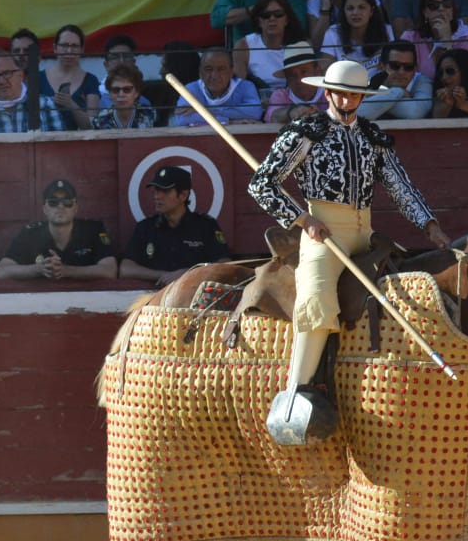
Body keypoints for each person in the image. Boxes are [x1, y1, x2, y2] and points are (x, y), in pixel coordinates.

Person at [248, 59, 449, 440]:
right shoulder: (305, 132)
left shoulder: (374, 136)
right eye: (340, 92)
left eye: (354, 93)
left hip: (365, 230)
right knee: (317, 298)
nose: (346, 99)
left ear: (362, 96)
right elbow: (262, 184)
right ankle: (296, 391)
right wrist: (303, 220)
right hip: (323, 233)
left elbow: (400, 186)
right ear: (327, 92)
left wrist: (429, 225)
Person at [120, 166, 231, 286]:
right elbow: (125, 269)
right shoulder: (145, 227)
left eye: (166, 191)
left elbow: (224, 264)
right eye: (157, 190)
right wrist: (163, 276)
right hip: (154, 299)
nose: (157, 196)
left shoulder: (205, 226)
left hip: (195, 299)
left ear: (183, 195)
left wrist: (187, 274)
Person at [0, 180, 114, 283]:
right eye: (53, 202)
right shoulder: (30, 233)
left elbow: (110, 270)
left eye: (67, 202)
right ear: (45, 208)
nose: (60, 207)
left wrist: (66, 271)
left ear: (76, 208)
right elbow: (0, 272)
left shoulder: (92, 230)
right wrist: (40, 269)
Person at [232, 0, 308, 94]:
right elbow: (239, 89)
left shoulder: (302, 45)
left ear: (287, 19)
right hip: (258, 102)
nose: (272, 19)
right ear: (258, 21)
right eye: (265, 15)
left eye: (278, 15)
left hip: (294, 102)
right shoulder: (243, 45)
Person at [173, 47, 265, 124]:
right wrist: (230, 121)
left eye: (221, 69)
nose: (214, 76)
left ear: (231, 72)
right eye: (208, 69)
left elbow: (255, 112)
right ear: (200, 72)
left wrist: (205, 110)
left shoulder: (245, 86)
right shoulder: (191, 89)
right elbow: (183, 119)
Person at [39, 23, 99, 130]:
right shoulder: (39, 78)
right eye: (64, 45)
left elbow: (92, 126)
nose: (69, 51)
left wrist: (71, 105)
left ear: (82, 49)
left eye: (75, 46)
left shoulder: (90, 80)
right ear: (55, 48)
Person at [400, 0, 468, 81]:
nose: (441, 9)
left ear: (452, 10)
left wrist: (446, 40)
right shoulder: (410, 38)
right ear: (425, 12)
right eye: (433, 5)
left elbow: (459, 79)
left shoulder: (466, 37)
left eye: (447, 4)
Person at [359, 38, 434, 116]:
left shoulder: (422, 81)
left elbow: (415, 112)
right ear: (382, 67)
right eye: (395, 66)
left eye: (408, 67)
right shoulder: (368, 84)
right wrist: (399, 92)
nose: (401, 72)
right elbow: (360, 113)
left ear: (415, 69)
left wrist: (378, 98)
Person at [319, 0, 395, 73]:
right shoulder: (332, 33)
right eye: (350, 8)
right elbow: (326, 70)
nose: (355, 12)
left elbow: (391, 69)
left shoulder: (387, 30)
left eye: (361, 7)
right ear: (344, 12)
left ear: (371, 11)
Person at [265, 40, 329, 120]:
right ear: (287, 77)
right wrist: (290, 112)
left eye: (304, 72)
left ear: (317, 71)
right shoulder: (281, 95)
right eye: (292, 75)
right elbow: (273, 116)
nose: (299, 80)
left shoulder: (331, 93)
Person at [91, 63, 157, 128]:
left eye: (127, 89)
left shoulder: (150, 114)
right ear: (110, 93)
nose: (121, 94)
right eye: (116, 90)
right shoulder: (99, 121)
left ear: (136, 93)